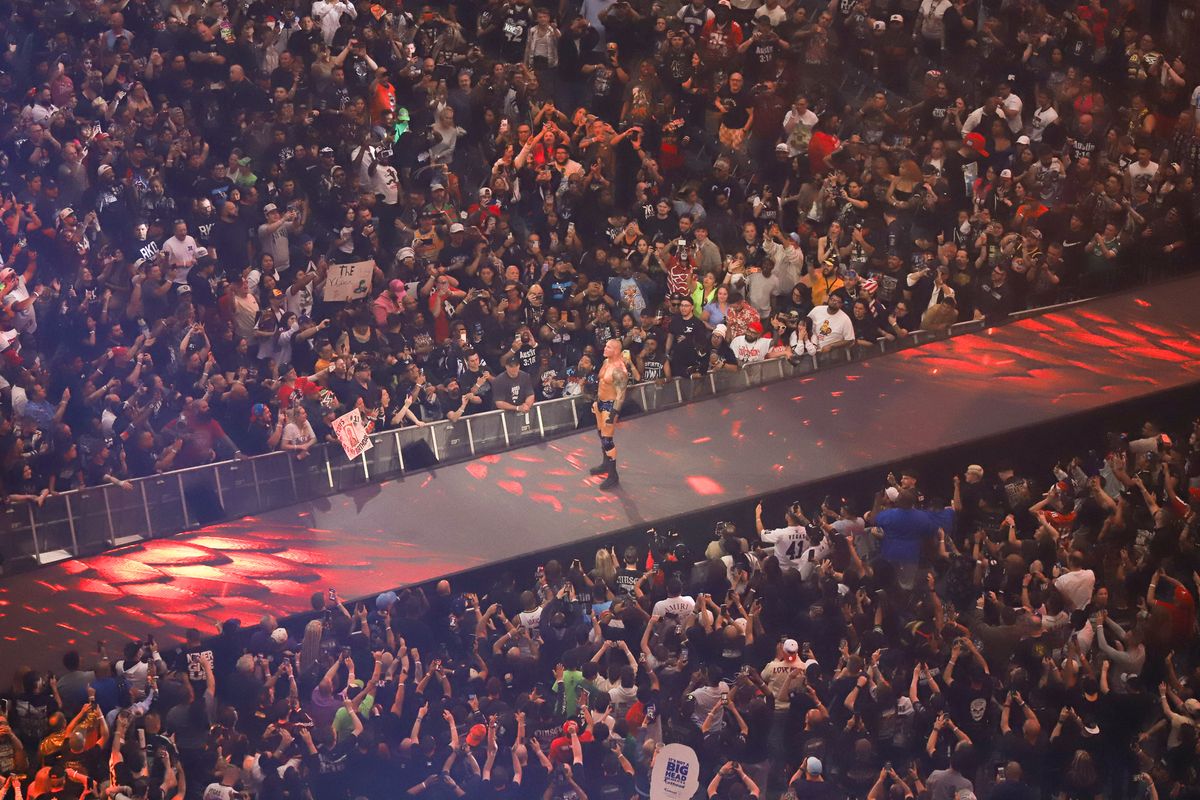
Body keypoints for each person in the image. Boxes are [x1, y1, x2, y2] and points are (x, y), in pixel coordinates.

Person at [589, 339, 629, 490]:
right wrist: (596, 402)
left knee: (607, 440)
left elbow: (621, 395)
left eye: (609, 347)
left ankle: (613, 476)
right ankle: (606, 464)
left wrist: (613, 414)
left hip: (610, 406)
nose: (605, 348)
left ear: (617, 351)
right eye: (605, 346)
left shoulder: (619, 370)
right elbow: (602, 383)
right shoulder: (607, 362)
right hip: (600, 403)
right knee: (601, 434)